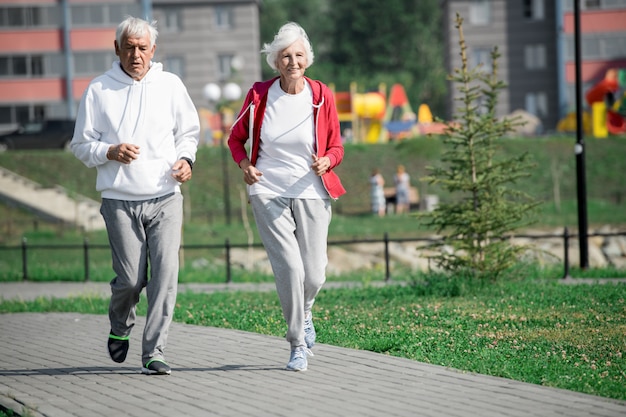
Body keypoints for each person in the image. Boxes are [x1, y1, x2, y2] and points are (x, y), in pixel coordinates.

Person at [70, 16, 200, 375]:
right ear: (117, 49)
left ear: (153, 50)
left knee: (165, 274)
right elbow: (80, 145)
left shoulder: (171, 85)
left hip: (166, 197)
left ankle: (154, 351)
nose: (136, 54)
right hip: (119, 199)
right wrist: (109, 151)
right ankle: (120, 325)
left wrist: (186, 159)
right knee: (129, 279)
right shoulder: (98, 90)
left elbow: (188, 131)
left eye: (143, 48)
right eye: (129, 47)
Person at [227, 22, 346, 371]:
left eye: (298, 55)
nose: (292, 62)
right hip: (268, 189)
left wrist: (328, 160)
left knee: (315, 274)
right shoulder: (259, 96)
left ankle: (305, 311)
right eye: (285, 57)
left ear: (307, 60)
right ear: (275, 62)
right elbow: (235, 140)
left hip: (312, 189)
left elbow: (337, 145)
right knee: (290, 269)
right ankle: (296, 344)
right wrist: (244, 164)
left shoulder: (322, 95)